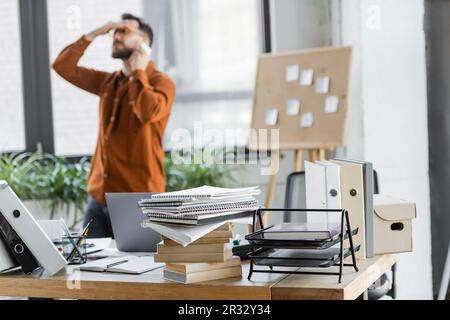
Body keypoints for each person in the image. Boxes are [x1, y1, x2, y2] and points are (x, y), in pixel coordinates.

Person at [52, 13, 175, 237]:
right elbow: (62, 66)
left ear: (144, 42)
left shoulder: (161, 82)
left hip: (138, 200)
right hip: (98, 197)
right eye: (114, 32)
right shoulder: (108, 82)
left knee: (140, 268)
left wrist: (138, 71)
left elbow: (147, 111)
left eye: (124, 31)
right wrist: (94, 33)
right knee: (90, 268)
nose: (116, 36)